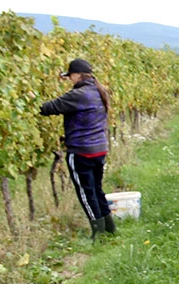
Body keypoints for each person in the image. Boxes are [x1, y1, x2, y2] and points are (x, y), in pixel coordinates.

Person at [40, 58, 114, 240]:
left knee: (85, 191)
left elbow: (48, 108)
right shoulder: (99, 90)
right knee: (97, 188)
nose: (69, 80)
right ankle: (110, 228)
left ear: (77, 75)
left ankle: (98, 233)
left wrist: (31, 100)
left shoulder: (78, 94)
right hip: (99, 149)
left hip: (81, 151)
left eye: (70, 76)